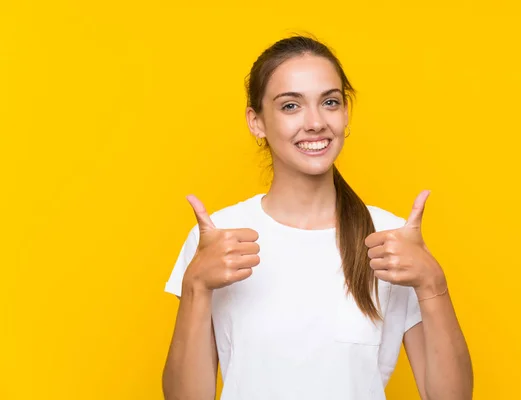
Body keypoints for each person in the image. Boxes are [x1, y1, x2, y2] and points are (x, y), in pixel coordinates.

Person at [162, 35, 473, 400]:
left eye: (329, 102)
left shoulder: (388, 239)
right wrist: (196, 285)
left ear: (345, 114)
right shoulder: (220, 237)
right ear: (256, 122)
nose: (315, 123)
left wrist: (433, 284)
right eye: (291, 106)